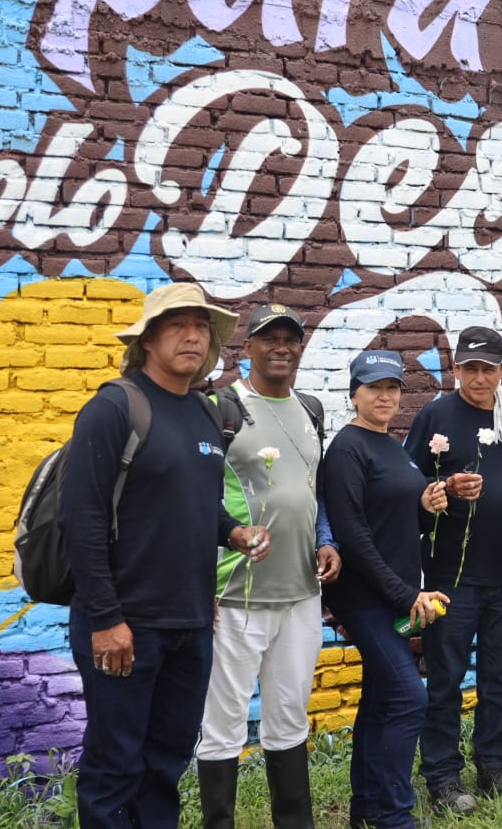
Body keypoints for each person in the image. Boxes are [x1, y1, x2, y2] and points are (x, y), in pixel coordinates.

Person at [61, 282, 270, 829]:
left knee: (167, 761)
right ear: (148, 339)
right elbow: (79, 520)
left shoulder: (204, 414)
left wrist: (234, 534)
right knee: (114, 763)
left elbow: (197, 504)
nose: (193, 336)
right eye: (178, 325)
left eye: (202, 327)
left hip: (191, 624)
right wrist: (106, 620)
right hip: (126, 624)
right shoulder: (113, 407)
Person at [196, 304, 342, 829]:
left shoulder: (311, 409)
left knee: (288, 720)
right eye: (269, 338)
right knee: (224, 724)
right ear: (247, 348)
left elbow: (313, 490)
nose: (281, 346)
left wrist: (326, 540)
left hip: (301, 593)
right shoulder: (222, 407)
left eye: (290, 338)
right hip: (235, 594)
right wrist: (200, 578)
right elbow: (197, 496)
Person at [402, 327, 502, 814]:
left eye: (489, 368)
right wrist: (439, 490)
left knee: (501, 678)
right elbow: (406, 486)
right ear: (455, 369)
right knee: (446, 678)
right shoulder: (435, 414)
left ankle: (495, 765)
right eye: (470, 368)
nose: (479, 377)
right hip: (450, 577)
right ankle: (442, 776)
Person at [322, 351, 450, 829]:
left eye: (392, 387)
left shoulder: (392, 445)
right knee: (408, 699)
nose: (385, 396)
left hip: (394, 593)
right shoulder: (347, 449)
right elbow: (353, 537)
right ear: (354, 393)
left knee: (380, 701)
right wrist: (405, 595)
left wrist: (426, 506)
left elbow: (396, 522)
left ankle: (366, 811)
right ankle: (395, 817)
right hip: (364, 597)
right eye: (374, 387)